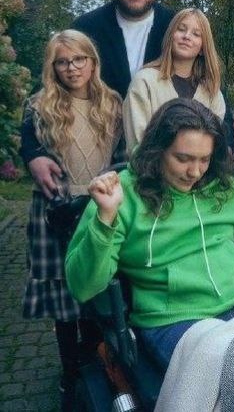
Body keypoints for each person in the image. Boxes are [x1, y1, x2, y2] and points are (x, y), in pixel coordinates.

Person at [65, 98, 234, 371]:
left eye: (204, 159)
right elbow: (83, 287)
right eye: (183, 158)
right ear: (157, 150)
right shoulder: (120, 194)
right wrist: (105, 218)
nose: (195, 172)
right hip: (172, 321)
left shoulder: (222, 188)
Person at [19, 0, 174, 200]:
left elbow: (211, 85)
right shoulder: (87, 27)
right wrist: (33, 154)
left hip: (166, 161)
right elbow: (43, 92)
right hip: (99, 169)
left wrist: (223, 143)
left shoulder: (177, 29)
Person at [21, 30, 123, 408]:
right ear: (53, 67)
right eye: (62, 62)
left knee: (98, 291)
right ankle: (70, 373)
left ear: (92, 62)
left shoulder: (112, 102)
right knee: (64, 303)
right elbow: (28, 145)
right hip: (56, 211)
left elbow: (123, 155)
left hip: (98, 205)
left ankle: (99, 365)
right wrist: (32, 157)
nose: (72, 68)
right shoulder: (39, 105)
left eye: (79, 59)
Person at [123, 8, 226, 154]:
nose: (186, 36)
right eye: (181, 29)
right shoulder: (144, 82)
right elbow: (137, 144)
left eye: (196, 34)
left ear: (203, 48)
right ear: (171, 36)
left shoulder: (212, 93)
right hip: (149, 167)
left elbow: (213, 148)